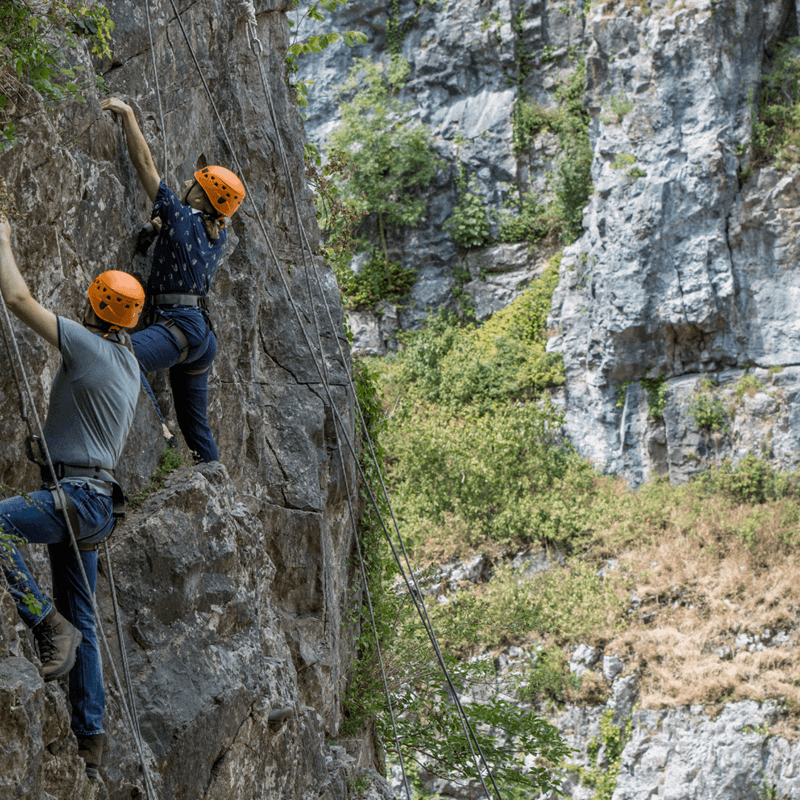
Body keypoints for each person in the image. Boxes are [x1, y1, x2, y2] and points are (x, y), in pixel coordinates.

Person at [0, 215, 144, 780]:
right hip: (94, 503)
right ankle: (91, 739)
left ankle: (43, 623)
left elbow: (17, 298)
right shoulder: (129, 364)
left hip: (77, 497)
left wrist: (6, 240)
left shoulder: (86, 346)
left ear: (96, 309)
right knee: (83, 608)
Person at [101, 97, 246, 463]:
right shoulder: (217, 233)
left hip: (177, 325)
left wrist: (128, 115)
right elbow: (180, 236)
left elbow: (144, 165)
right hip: (200, 336)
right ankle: (215, 482)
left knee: (121, 357)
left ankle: (158, 430)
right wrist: (155, 227)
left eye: (194, 182)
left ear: (201, 195)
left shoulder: (180, 216)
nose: (186, 182)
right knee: (198, 431)